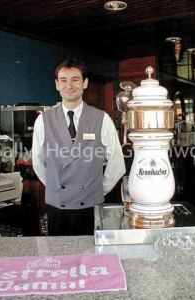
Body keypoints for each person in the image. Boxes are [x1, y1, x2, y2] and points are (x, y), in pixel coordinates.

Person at [32, 58, 126, 236]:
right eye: (63, 80)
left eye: (75, 79)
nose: (69, 85)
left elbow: (117, 162)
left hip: (90, 206)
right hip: (58, 206)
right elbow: (38, 162)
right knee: (60, 259)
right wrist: (56, 187)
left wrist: (97, 189)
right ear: (57, 85)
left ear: (85, 83)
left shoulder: (102, 118)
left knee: (90, 259)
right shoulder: (43, 120)